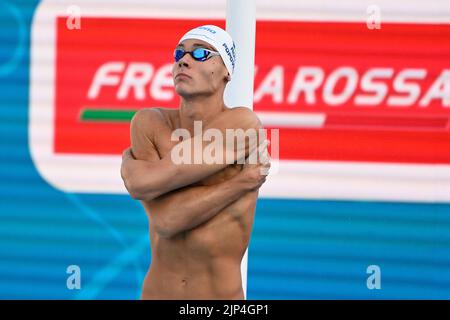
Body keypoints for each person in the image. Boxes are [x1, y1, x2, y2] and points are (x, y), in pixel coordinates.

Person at [120, 25, 270, 299]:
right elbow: (166, 220)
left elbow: (165, 213)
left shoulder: (243, 125)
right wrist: (239, 184)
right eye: (179, 53)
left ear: (227, 71)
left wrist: (137, 173)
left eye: (201, 53)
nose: (184, 60)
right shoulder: (149, 123)